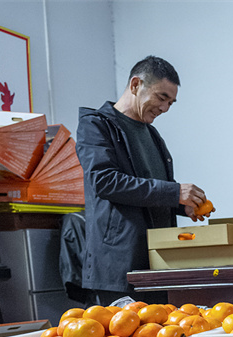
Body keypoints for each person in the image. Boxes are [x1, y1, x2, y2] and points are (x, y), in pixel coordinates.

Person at [76, 55, 209, 306]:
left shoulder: (152, 134)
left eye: (171, 102)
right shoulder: (96, 126)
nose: (165, 108)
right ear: (136, 85)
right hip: (120, 268)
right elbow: (105, 181)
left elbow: (149, 187)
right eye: (161, 97)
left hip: (157, 265)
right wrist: (174, 192)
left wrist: (183, 204)